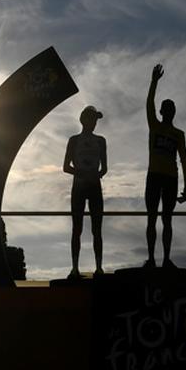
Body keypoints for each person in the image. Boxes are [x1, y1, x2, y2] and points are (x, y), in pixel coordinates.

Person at [144, 64, 186, 269]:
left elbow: (185, 159)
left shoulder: (179, 134)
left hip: (171, 178)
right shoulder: (154, 125)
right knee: (152, 218)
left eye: (172, 109)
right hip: (154, 175)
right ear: (162, 111)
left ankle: (166, 259)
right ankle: (152, 259)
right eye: (166, 108)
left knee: (168, 219)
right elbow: (149, 104)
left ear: (174, 112)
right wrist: (154, 81)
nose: (169, 111)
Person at [63, 105, 107, 278]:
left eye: (96, 119)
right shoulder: (74, 140)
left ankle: (99, 267)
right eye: (91, 118)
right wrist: (82, 173)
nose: (94, 122)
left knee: (97, 228)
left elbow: (104, 168)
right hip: (79, 186)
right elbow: (66, 166)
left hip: (95, 186)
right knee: (77, 228)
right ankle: (75, 268)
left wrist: (96, 175)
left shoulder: (101, 140)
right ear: (83, 119)